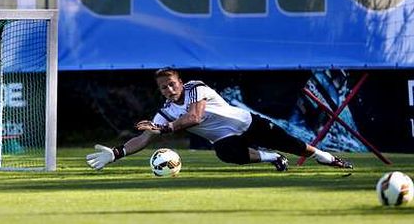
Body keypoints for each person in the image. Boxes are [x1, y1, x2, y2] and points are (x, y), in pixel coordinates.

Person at [86, 68, 353, 171]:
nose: (168, 90)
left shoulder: (195, 88)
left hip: (247, 123)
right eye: (163, 88)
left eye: (171, 84)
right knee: (226, 154)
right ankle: (273, 158)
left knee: (295, 146)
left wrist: (166, 128)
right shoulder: (165, 111)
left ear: (180, 82)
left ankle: (327, 158)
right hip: (226, 138)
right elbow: (145, 137)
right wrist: (117, 152)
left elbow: (195, 117)